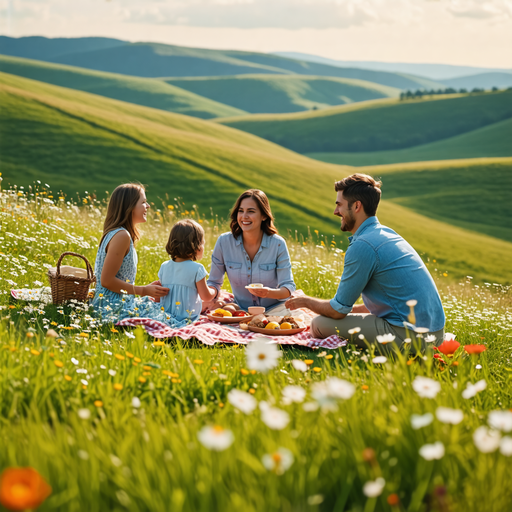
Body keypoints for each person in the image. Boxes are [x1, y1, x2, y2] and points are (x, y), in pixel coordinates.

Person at [285, 173, 445, 350]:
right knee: (332, 317)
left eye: (339, 205)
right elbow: (385, 303)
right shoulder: (386, 233)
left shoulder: (363, 245)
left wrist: (305, 301)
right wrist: (348, 311)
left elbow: (337, 311)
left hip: (411, 338)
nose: (336, 211)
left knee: (319, 324)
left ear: (356, 206)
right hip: (435, 334)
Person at [91, 183, 170, 324]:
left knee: (166, 310)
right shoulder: (122, 236)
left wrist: (146, 289)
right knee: (170, 318)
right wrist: (143, 290)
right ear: (130, 207)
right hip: (112, 308)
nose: (148, 206)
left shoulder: (118, 233)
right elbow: (107, 281)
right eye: (143, 202)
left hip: (111, 302)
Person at [207, 189, 296, 312]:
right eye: (241, 211)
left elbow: (288, 288)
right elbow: (213, 283)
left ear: (264, 215)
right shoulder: (224, 242)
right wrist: (204, 295)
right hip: (241, 310)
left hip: (275, 309)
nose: (244, 216)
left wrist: (268, 293)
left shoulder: (278, 244)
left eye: (251, 211)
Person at [158, 219, 217, 327]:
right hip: (188, 319)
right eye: (203, 243)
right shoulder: (197, 268)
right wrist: (214, 290)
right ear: (197, 246)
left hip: (165, 316)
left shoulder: (164, 266)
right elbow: (206, 296)